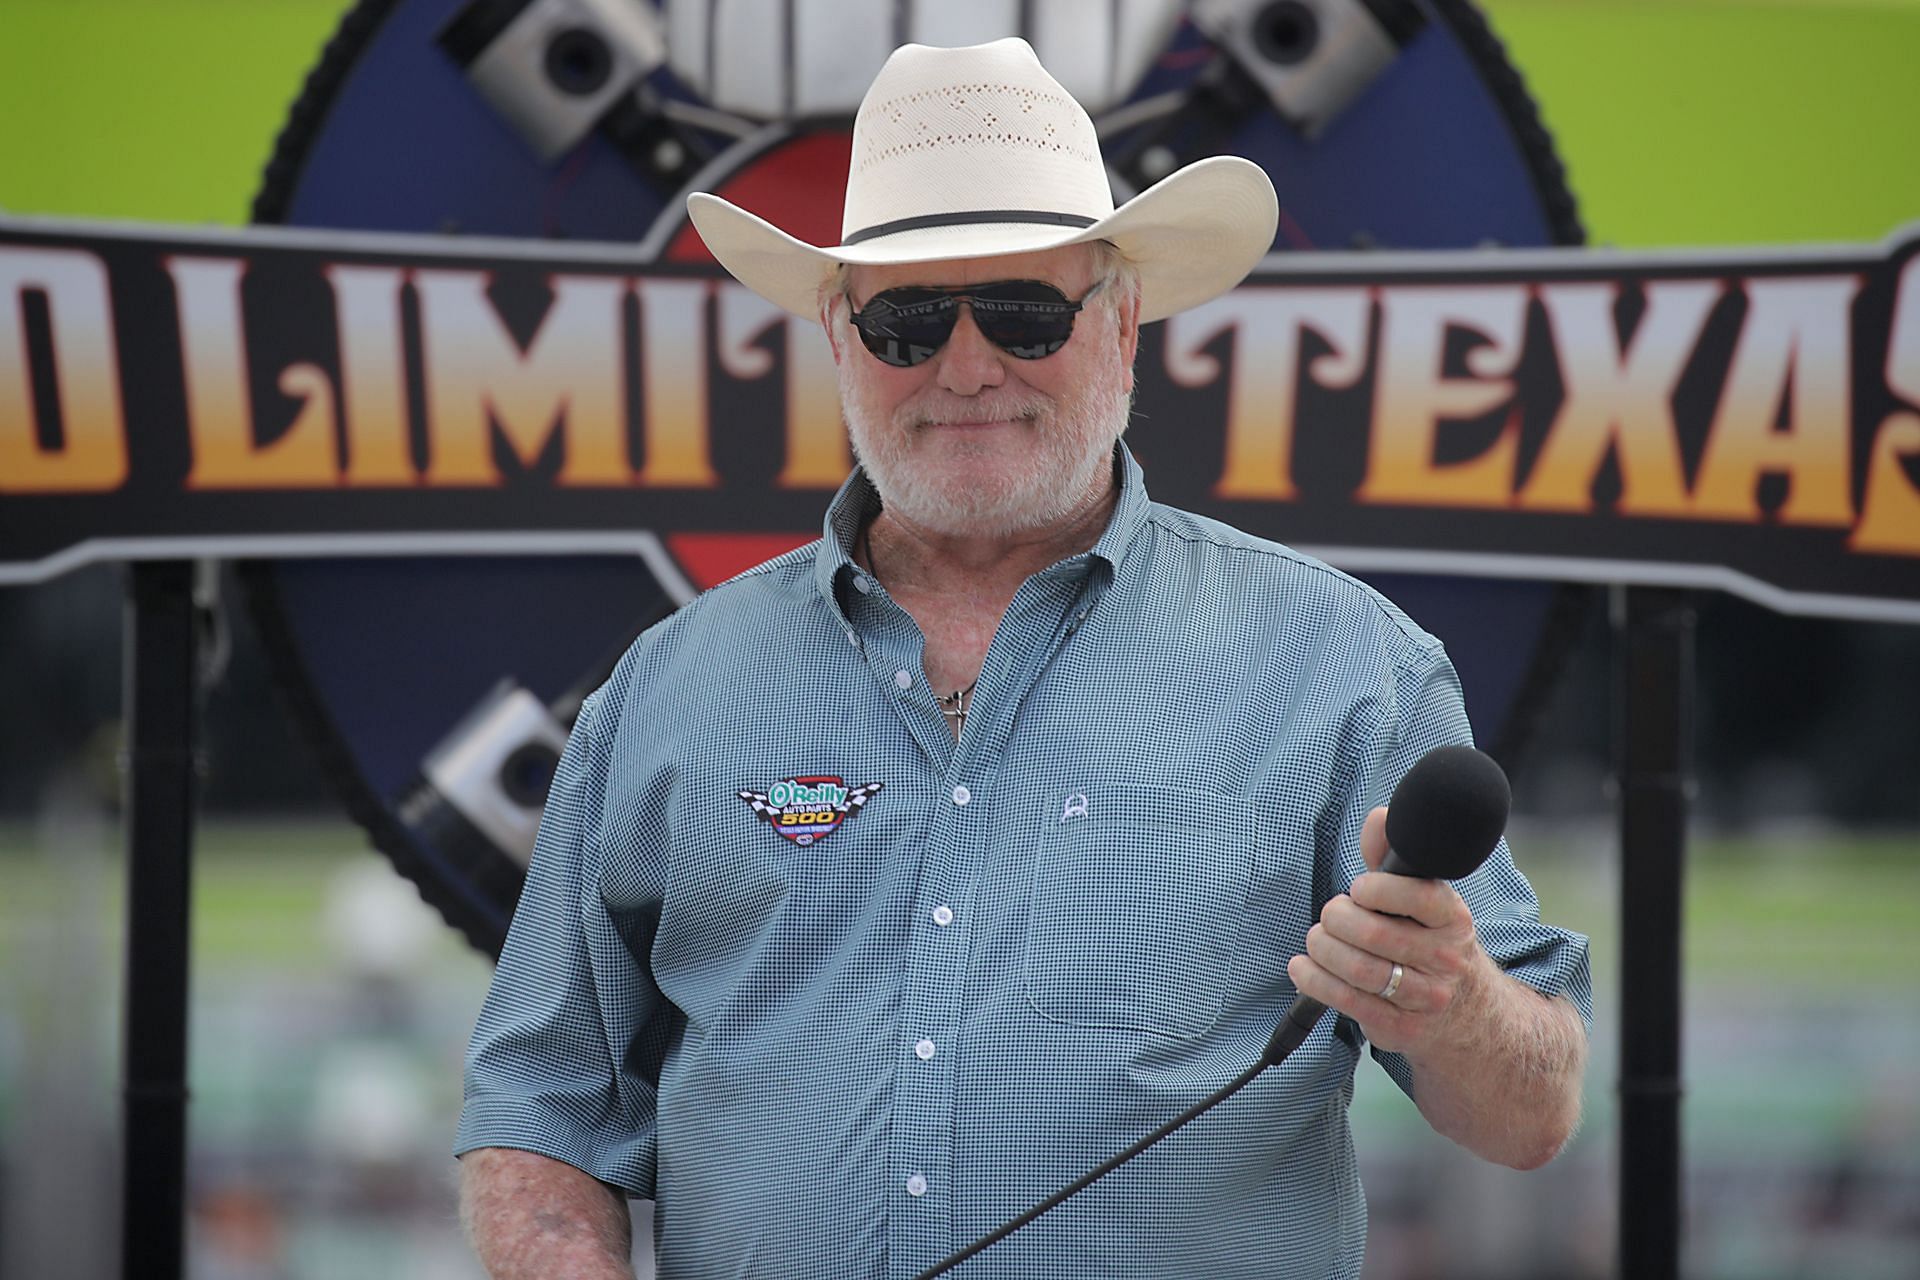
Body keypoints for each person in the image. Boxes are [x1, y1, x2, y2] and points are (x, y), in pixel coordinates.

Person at [455, 37, 1591, 1280]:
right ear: (838, 338)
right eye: (906, 320)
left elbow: (1530, 1113)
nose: (968, 365)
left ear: (1123, 324)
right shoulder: (667, 688)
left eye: (1023, 310)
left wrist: (1456, 1000)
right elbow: (543, 1109)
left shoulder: (1347, 664)